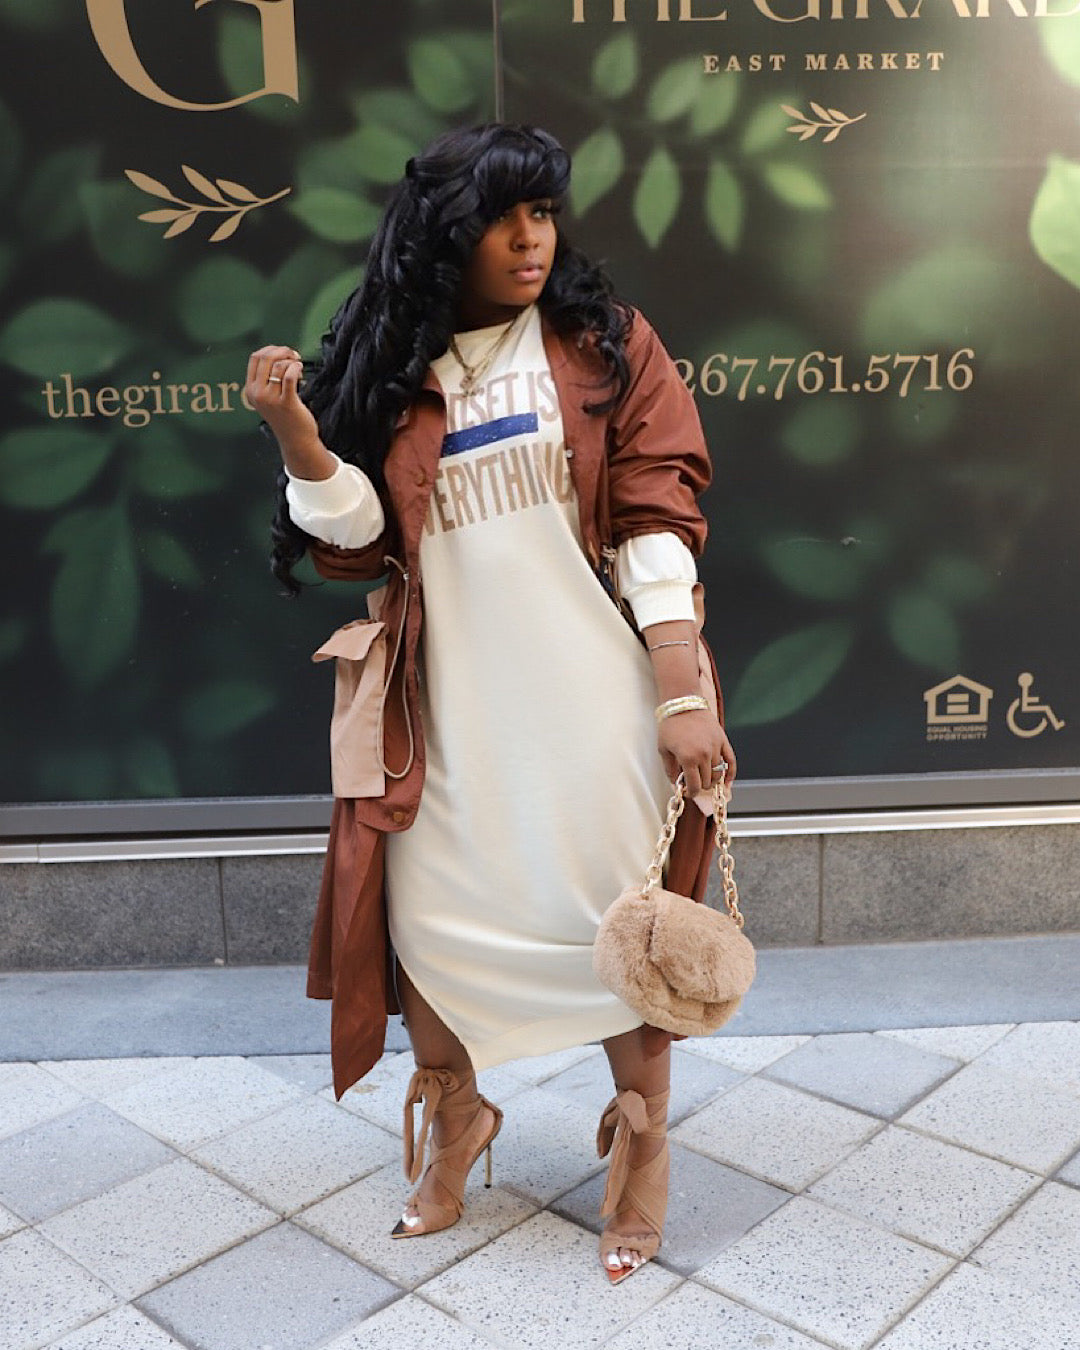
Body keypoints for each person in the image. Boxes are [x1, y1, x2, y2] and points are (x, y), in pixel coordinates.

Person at [244, 122, 736, 1284]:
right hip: (451, 714)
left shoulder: (603, 347)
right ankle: (459, 1119)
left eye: (543, 213)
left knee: (621, 932)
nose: (531, 239)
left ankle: (643, 1152)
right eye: (502, 220)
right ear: (442, 238)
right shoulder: (396, 368)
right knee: (433, 930)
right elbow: (361, 545)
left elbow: (658, 510)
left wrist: (678, 688)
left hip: (596, 709)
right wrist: (299, 436)